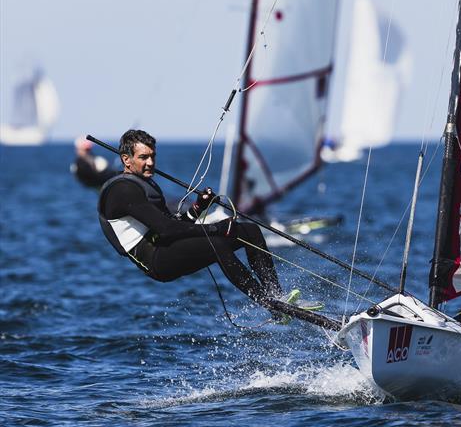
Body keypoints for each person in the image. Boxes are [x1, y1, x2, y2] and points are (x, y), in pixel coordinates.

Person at [97, 129, 306, 312]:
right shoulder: (122, 191)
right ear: (126, 159)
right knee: (217, 242)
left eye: (153, 156)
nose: (150, 162)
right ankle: (268, 303)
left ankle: (277, 295)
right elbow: (167, 229)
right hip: (156, 260)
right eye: (143, 157)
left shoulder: (144, 185)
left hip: (167, 246)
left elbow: (176, 224)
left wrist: (198, 208)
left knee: (250, 231)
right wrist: (216, 227)